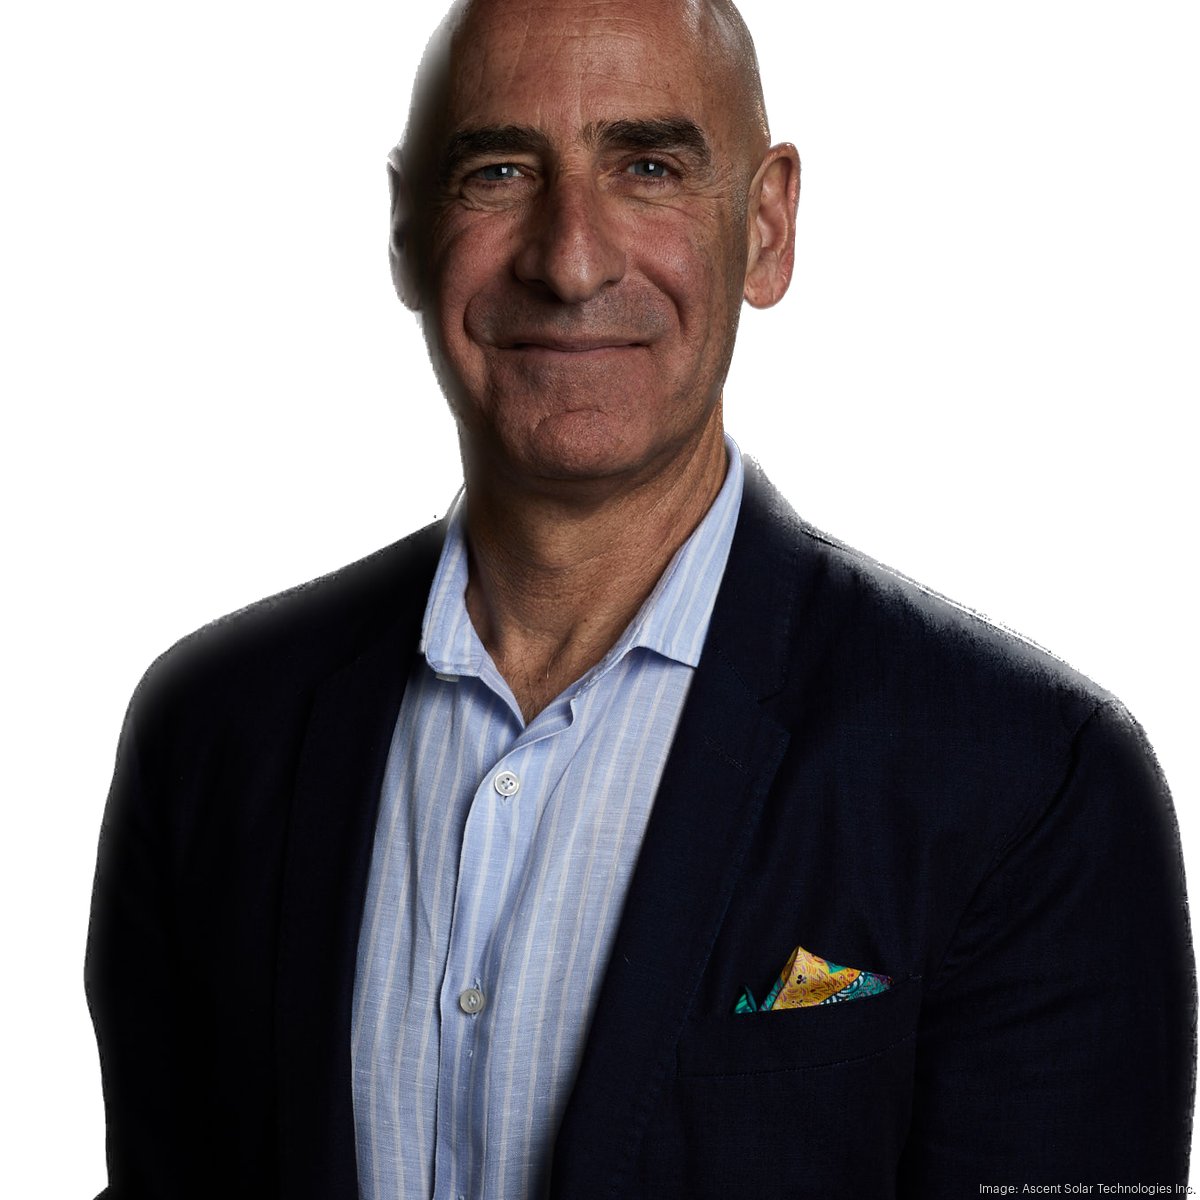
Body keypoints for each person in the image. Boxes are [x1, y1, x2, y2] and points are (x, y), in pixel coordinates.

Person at [84, 0, 1195, 1196]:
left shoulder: (1031, 775)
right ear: (405, 231)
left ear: (766, 228)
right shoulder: (207, 728)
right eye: (500, 170)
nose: (570, 261)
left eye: (649, 167)